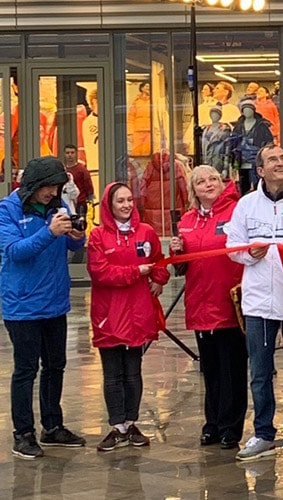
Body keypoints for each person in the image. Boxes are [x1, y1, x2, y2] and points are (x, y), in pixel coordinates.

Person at [226, 144, 283, 462]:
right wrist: (248, 253)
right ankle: (263, 433)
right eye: (272, 160)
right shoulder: (246, 205)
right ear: (260, 170)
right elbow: (232, 247)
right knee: (260, 371)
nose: (281, 163)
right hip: (258, 304)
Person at [0, 156, 88, 459]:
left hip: (55, 302)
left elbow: (72, 246)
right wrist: (49, 232)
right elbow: (15, 252)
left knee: (56, 366)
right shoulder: (7, 211)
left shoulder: (60, 208)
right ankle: (23, 433)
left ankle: (53, 426)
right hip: (22, 305)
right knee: (26, 369)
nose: (53, 193)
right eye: (48, 187)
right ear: (33, 186)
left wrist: (76, 237)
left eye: (57, 187)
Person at [87, 182, 169, 451]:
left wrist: (158, 278)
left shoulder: (146, 232)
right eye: (120, 201)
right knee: (112, 374)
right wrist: (137, 272)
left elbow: (159, 260)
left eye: (129, 200)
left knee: (133, 373)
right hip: (109, 314)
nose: (126, 205)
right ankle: (116, 425)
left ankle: (131, 422)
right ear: (109, 206)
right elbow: (100, 273)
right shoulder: (98, 236)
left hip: (137, 313)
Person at [170, 166, 247, 450]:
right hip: (200, 307)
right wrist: (177, 251)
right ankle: (212, 423)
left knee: (232, 370)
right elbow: (181, 267)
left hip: (229, 305)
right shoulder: (187, 220)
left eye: (212, 178)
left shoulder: (237, 212)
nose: (208, 184)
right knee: (210, 370)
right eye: (200, 181)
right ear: (193, 190)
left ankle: (230, 426)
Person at [231, 97, 274, 195]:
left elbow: (269, 142)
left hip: (256, 159)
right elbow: (233, 144)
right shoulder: (238, 126)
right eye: (245, 110)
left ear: (253, 111)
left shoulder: (262, 126)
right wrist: (233, 160)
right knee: (244, 185)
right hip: (242, 160)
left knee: (258, 183)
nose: (247, 112)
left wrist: (265, 155)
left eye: (249, 109)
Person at [128, 82, 151, 157]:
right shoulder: (136, 102)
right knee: (136, 152)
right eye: (146, 86)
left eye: (149, 86)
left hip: (149, 131)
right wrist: (130, 133)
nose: (148, 87)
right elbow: (130, 118)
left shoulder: (153, 101)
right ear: (142, 88)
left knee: (147, 152)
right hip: (137, 131)